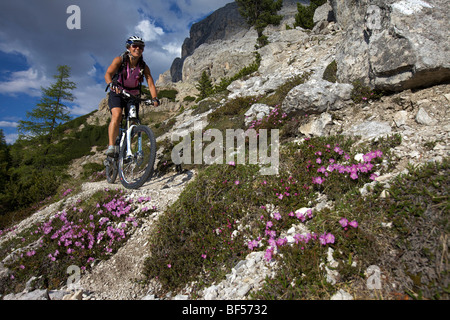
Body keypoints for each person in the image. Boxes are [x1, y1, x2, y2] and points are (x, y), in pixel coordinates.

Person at [104, 36, 159, 156]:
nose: (137, 48)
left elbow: (150, 83)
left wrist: (154, 98)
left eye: (141, 47)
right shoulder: (120, 60)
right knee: (117, 114)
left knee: (133, 122)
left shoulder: (143, 66)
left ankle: (126, 147)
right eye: (135, 46)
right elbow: (108, 73)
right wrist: (111, 83)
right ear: (129, 47)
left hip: (133, 96)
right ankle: (111, 146)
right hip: (118, 92)